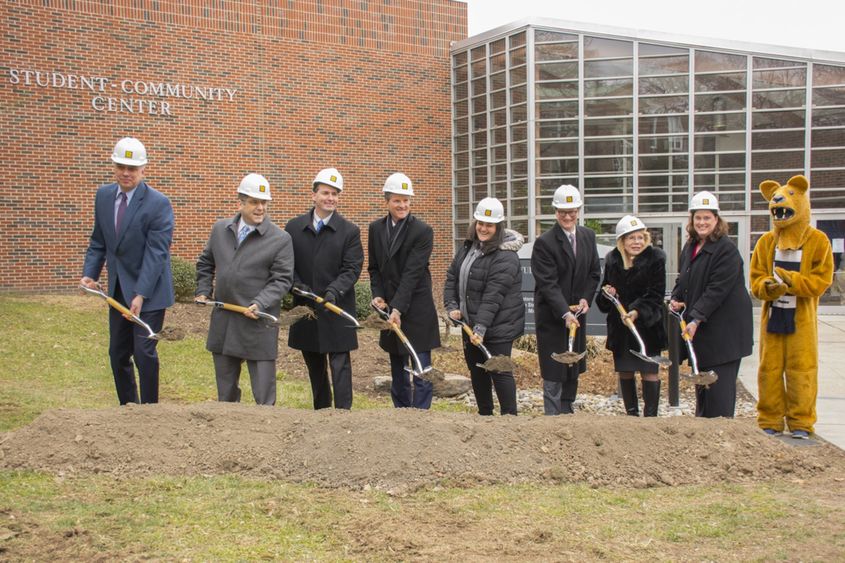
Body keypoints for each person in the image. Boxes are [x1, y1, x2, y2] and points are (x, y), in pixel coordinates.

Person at [81, 137, 174, 405]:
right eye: (121, 165)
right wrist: (91, 273)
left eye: (132, 168)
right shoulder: (104, 196)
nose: (126, 172)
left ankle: (149, 411)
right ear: (114, 165)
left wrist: (141, 294)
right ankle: (128, 407)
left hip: (150, 291)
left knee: (144, 352)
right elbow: (99, 240)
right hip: (119, 290)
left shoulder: (158, 203)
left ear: (143, 170)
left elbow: (157, 254)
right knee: (118, 353)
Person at [195, 173, 294, 406]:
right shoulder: (220, 230)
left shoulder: (280, 239)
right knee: (226, 392)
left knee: (263, 395)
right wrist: (203, 289)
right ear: (240, 203)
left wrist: (260, 302)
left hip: (257, 322)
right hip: (225, 320)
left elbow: (282, 280)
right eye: (254, 202)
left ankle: (267, 433)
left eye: (264, 203)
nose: (260, 208)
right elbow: (205, 262)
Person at [669, 191, 752, 418]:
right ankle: (705, 438)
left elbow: (716, 291)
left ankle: (720, 437)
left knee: (719, 394)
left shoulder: (726, 250)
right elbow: (684, 279)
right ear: (692, 220)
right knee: (703, 388)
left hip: (724, 336)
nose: (702, 223)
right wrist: (676, 298)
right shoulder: (691, 246)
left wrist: (695, 318)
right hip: (705, 335)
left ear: (716, 220)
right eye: (698, 218)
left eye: (707, 218)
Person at [286, 168, 364, 410]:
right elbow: (286, 265)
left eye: (335, 194)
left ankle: (343, 415)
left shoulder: (349, 231)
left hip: (335, 307)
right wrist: (297, 286)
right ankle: (321, 412)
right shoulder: (294, 228)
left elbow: (352, 269)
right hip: (306, 308)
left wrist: (333, 291)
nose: (330, 198)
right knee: (314, 363)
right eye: (325, 193)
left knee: (340, 364)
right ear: (314, 195)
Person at [444, 197, 525, 416]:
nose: (483, 228)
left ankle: (510, 420)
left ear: (498, 227)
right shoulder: (470, 247)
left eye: (489, 225)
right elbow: (453, 276)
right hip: (471, 324)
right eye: (480, 222)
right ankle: (485, 418)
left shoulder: (506, 256)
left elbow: (493, 296)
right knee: (478, 371)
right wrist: (452, 305)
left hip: (498, 325)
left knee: (499, 371)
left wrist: (480, 327)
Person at [368, 172, 440, 409]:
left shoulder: (422, 231)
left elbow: (412, 274)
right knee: (398, 370)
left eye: (406, 200)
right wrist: (378, 295)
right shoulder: (376, 229)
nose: (403, 205)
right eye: (397, 200)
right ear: (387, 201)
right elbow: (374, 268)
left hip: (416, 310)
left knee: (421, 369)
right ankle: (400, 414)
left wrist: (397, 308)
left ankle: (420, 416)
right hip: (390, 309)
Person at [531, 184, 601, 415]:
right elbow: (547, 284)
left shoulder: (588, 236)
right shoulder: (545, 243)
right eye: (563, 211)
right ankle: (552, 416)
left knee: (572, 364)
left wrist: (585, 299)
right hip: (554, 316)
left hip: (577, 314)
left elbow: (593, 273)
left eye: (572, 211)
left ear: (579, 210)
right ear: (555, 212)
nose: (568, 216)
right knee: (554, 368)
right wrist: (565, 312)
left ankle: (567, 412)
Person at [595, 215, 667, 417]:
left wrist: (636, 311)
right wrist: (608, 293)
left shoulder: (656, 259)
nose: (637, 242)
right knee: (625, 370)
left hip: (647, 327)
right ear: (622, 241)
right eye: (631, 238)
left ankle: (650, 416)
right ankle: (631, 415)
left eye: (640, 238)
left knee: (649, 371)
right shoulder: (613, 260)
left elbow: (656, 295)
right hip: (621, 330)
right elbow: (603, 298)